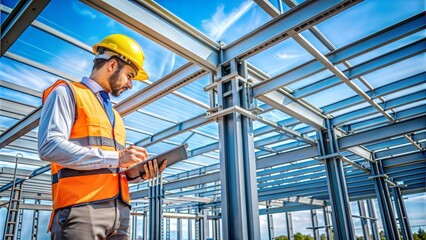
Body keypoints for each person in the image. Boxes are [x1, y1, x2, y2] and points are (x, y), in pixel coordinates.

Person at [38, 34, 167, 240]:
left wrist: (135, 174)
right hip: (81, 210)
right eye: (130, 75)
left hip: (120, 214)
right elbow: (49, 146)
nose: (130, 84)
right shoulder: (67, 93)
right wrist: (117, 158)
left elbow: (109, 167)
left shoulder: (116, 116)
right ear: (113, 64)